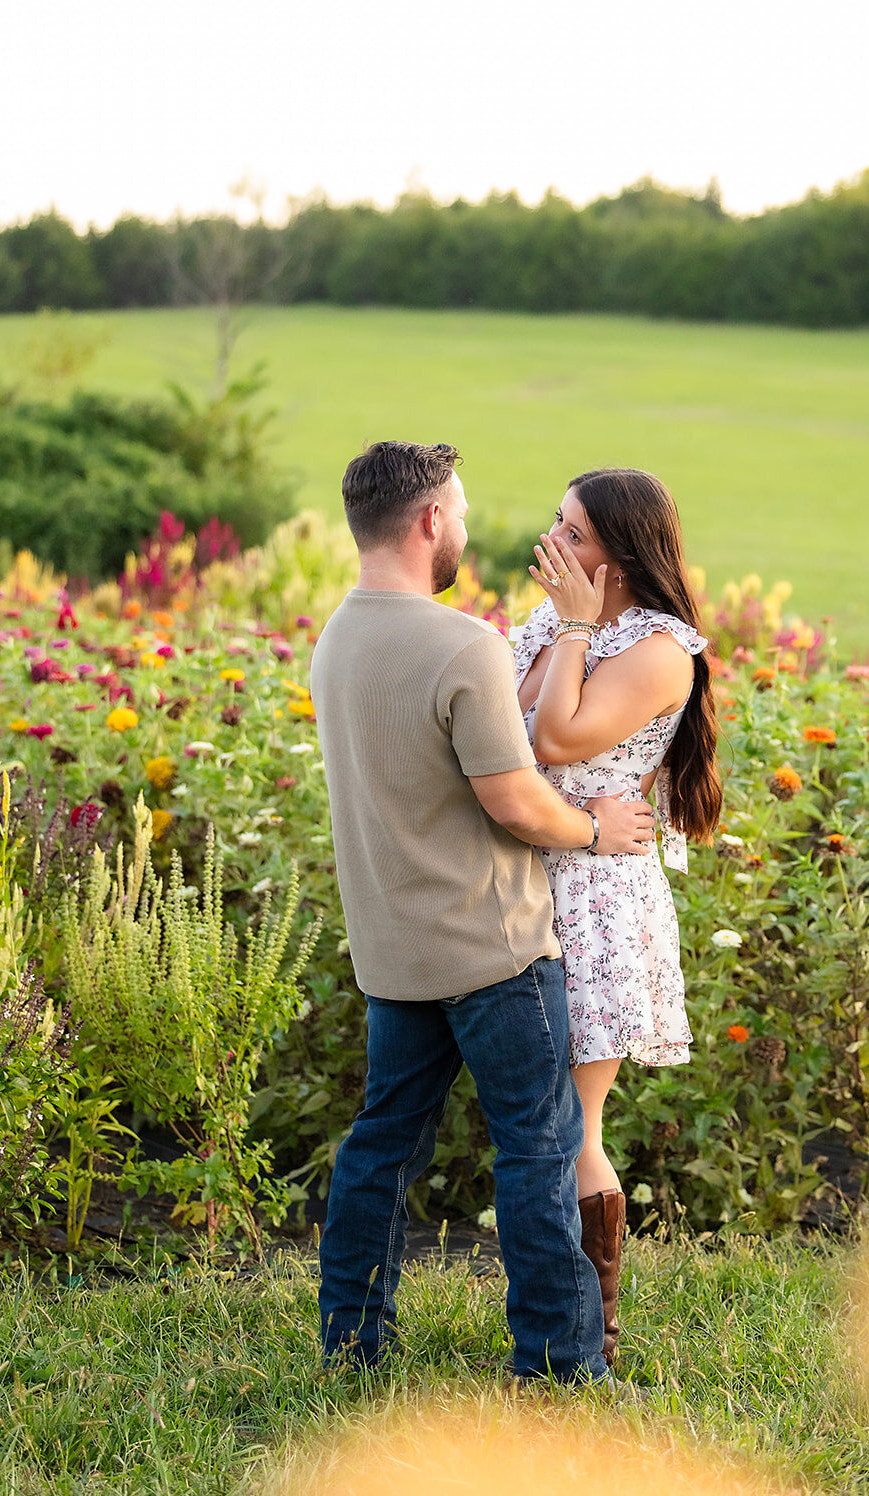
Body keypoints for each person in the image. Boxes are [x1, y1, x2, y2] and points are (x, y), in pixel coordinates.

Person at [309, 440, 657, 1385]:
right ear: (428, 522)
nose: (464, 528)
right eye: (457, 512)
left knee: (381, 1146)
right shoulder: (459, 644)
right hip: (494, 947)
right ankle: (555, 1364)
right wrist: (594, 830)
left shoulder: (335, 638)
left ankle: (352, 1343)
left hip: (394, 948)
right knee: (538, 1151)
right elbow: (514, 798)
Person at [513, 467, 723, 1366]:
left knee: (570, 1122)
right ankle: (558, 1319)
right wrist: (559, 627)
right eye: (555, 524)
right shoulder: (552, 623)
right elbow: (495, 716)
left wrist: (570, 627)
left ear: (624, 554)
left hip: (596, 893)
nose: (554, 544)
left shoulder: (657, 649)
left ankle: (585, 1333)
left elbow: (553, 738)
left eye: (576, 533)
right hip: (523, 870)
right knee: (530, 1110)